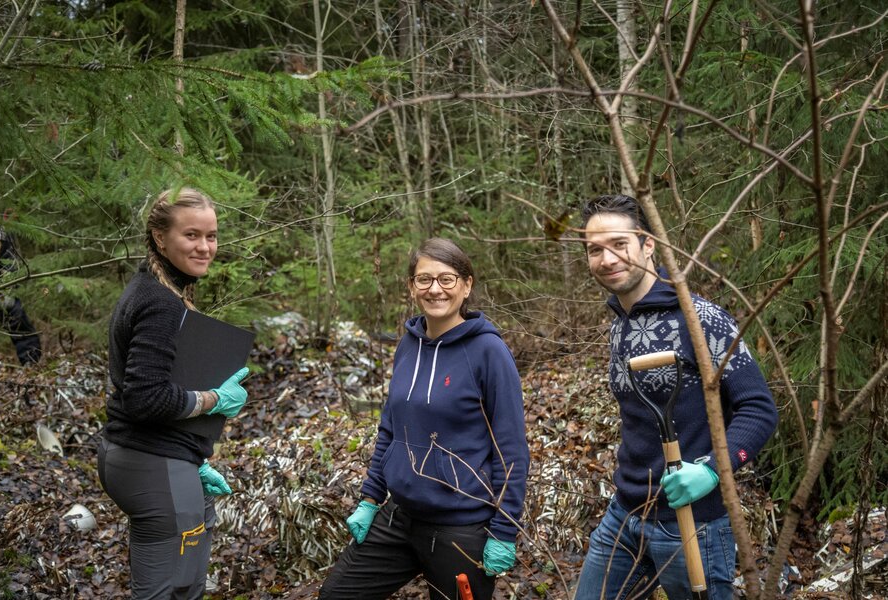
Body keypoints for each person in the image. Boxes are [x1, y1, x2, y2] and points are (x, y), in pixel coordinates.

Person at [573, 194, 779, 599]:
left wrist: (712, 469)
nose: (607, 259)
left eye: (619, 244)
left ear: (648, 245)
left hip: (691, 522)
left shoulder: (701, 318)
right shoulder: (619, 326)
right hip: (626, 513)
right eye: (594, 250)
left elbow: (759, 409)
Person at [319, 238, 530, 600]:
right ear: (411, 286)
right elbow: (390, 427)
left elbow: (511, 448)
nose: (435, 289)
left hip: (460, 527)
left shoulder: (489, 351)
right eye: (424, 279)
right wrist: (371, 498)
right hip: (399, 517)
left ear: (467, 285)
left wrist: (505, 530)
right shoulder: (408, 344)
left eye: (447, 279)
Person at [97, 187, 250, 599]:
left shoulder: (154, 287)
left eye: (212, 236)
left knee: (186, 582)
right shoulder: (160, 302)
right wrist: (215, 399)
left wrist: (192, 457)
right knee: (166, 590)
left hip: (154, 456)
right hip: (150, 461)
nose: (205, 247)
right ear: (160, 238)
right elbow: (145, 398)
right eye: (192, 235)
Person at [0, 209, 42, 366]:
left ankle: (31, 363)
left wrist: (1, 281)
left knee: (15, 314)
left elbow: (10, 265)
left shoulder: (0, 234)